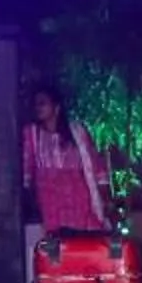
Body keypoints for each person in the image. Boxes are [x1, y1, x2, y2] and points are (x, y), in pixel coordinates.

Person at [23, 83, 109, 246]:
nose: (38, 107)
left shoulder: (77, 132)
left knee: (81, 244)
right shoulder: (32, 134)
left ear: (56, 107)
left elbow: (96, 167)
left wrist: (105, 197)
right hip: (49, 199)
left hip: (78, 198)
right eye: (36, 104)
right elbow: (27, 169)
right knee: (56, 248)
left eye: (43, 103)